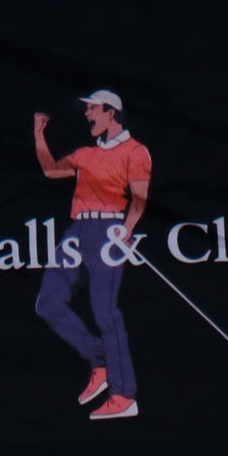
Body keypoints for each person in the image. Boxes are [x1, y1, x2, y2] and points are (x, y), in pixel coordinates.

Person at [31, 91, 152, 422]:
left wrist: (126, 229)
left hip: (108, 231)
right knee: (48, 303)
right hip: (77, 232)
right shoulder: (86, 154)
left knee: (105, 313)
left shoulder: (135, 151)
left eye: (93, 109)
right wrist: (39, 135)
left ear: (111, 113)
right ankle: (100, 360)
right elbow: (52, 172)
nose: (87, 115)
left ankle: (124, 395)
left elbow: (139, 198)